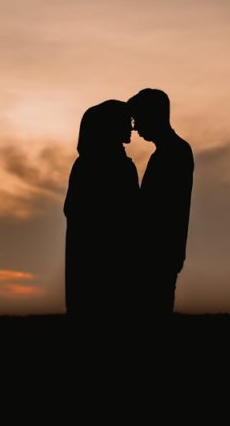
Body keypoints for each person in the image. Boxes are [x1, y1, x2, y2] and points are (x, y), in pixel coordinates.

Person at [63, 99, 140, 319]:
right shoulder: (112, 167)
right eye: (126, 122)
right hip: (103, 264)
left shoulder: (88, 164)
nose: (131, 128)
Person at [128, 88, 194, 317]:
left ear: (152, 116)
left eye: (138, 119)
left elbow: (156, 209)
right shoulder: (169, 152)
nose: (134, 128)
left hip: (157, 255)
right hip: (160, 254)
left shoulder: (174, 153)